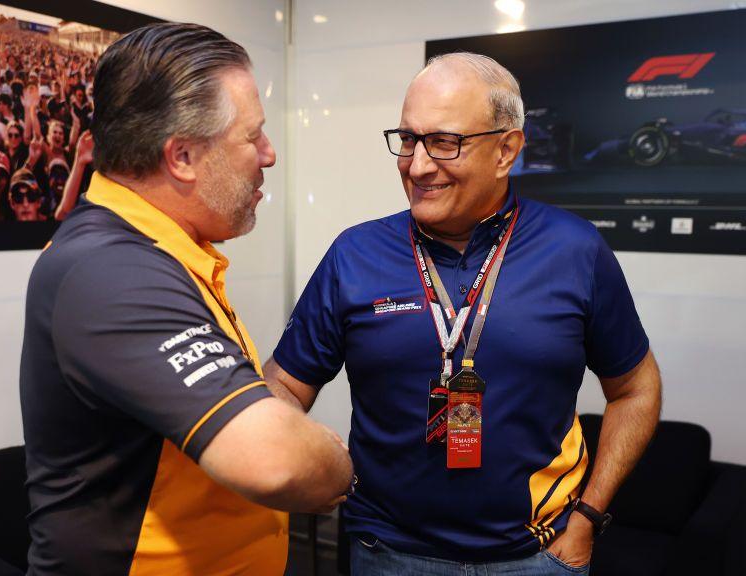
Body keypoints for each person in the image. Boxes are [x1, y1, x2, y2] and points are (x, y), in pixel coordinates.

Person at [266, 52, 663, 575]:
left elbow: (636, 389)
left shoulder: (574, 250)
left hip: (536, 557)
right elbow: (285, 386)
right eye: (408, 139)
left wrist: (589, 516)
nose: (418, 164)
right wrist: (296, 465)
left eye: (444, 142)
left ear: (506, 150)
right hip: (387, 554)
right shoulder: (354, 254)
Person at [19, 22, 354, 576]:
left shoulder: (166, 250)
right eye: (253, 136)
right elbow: (273, 460)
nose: (268, 155)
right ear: (181, 157)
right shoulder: (111, 270)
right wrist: (342, 465)